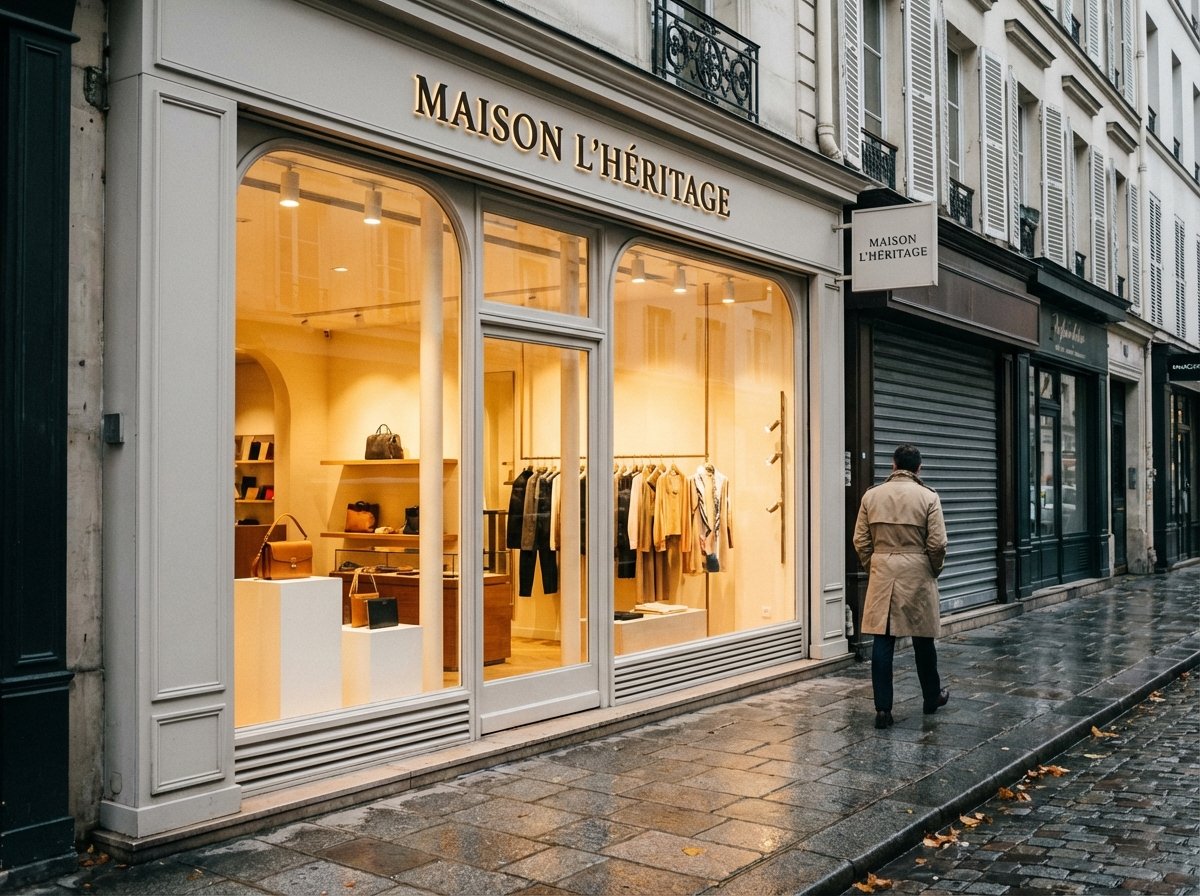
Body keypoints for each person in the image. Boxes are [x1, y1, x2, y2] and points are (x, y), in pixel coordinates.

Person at [853, 443, 950, 729]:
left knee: (883, 640)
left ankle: (883, 709)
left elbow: (860, 540)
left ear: (893, 465)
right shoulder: (928, 497)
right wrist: (932, 568)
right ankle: (931, 697)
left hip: (883, 572)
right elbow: (938, 543)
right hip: (917, 572)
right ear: (919, 468)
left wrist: (875, 564)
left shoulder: (871, 496)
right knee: (923, 640)